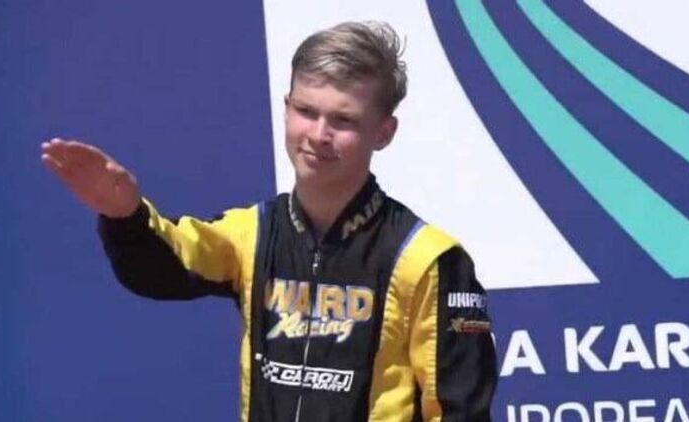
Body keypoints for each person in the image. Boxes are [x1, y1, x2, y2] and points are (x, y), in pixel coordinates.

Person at [42, 21, 496, 422]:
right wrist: (124, 215)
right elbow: (160, 271)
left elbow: (461, 411)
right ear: (286, 107)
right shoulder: (250, 233)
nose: (318, 134)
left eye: (343, 120)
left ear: (384, 132)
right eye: (306, 111)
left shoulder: (427, 258)